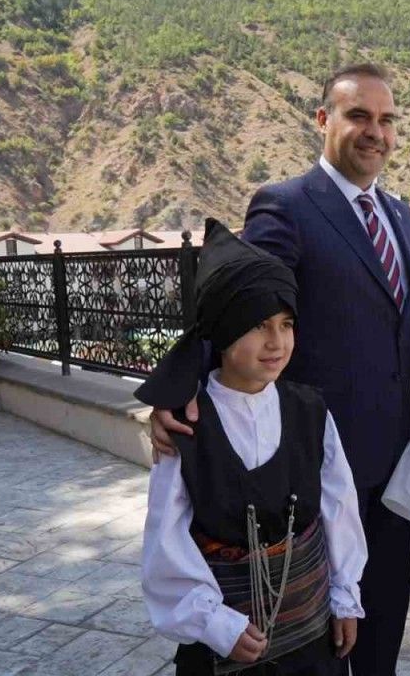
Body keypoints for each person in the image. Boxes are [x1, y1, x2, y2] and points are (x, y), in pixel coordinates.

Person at [140, 63, 410, 675]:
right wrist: (176, 390)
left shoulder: (402, 217)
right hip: (315, 463)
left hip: (396, 460)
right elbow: (243, 305)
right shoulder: (287, 205)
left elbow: (402, 331)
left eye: (386, 120)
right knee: (317, 642)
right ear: (323, 119)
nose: (375, 132)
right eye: (358, 116)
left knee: (383, 623)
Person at [140, 219, 368, 676]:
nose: (276, 342)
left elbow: (339, 505)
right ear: (224, 332)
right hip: (227, 647)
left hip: (311, 638)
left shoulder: (310, 411)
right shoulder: (188, 426)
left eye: (286, 324)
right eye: (259, 325)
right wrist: (215, 623)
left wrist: (345, 595)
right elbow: (165, 542)